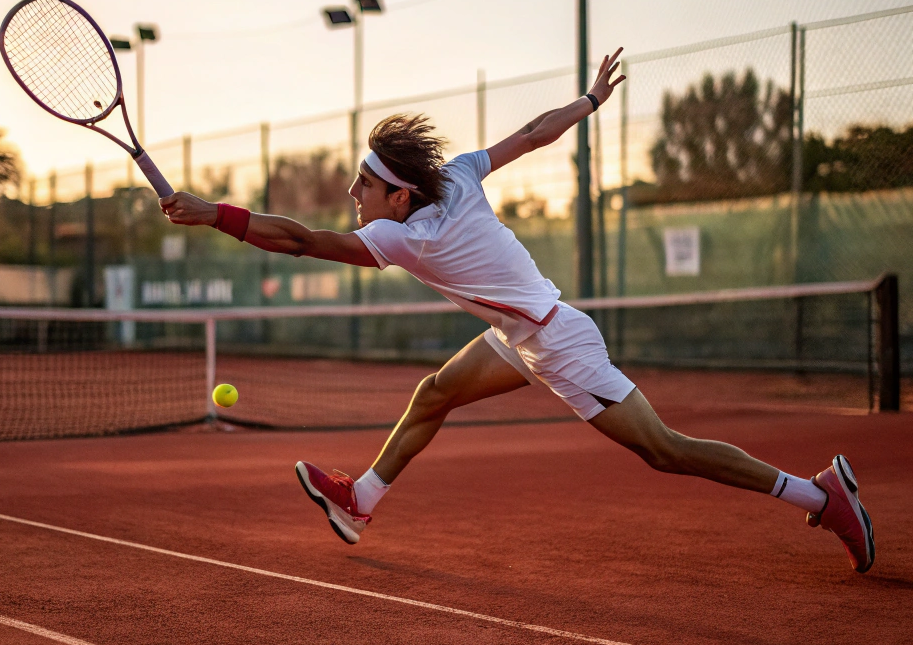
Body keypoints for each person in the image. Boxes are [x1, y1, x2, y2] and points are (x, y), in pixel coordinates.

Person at [159, 49, 874, 573]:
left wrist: (214, 213)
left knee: (666, 451)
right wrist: (590, 101)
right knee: (433, 393)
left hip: (560, 343)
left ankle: (818, 494)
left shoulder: (404, 237)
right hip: (518, 334)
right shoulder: (457, 175)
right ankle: (361, 499)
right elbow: (534, 132)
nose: (353, 191)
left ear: (400, 197)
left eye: (364, 184)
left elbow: (301, 241)